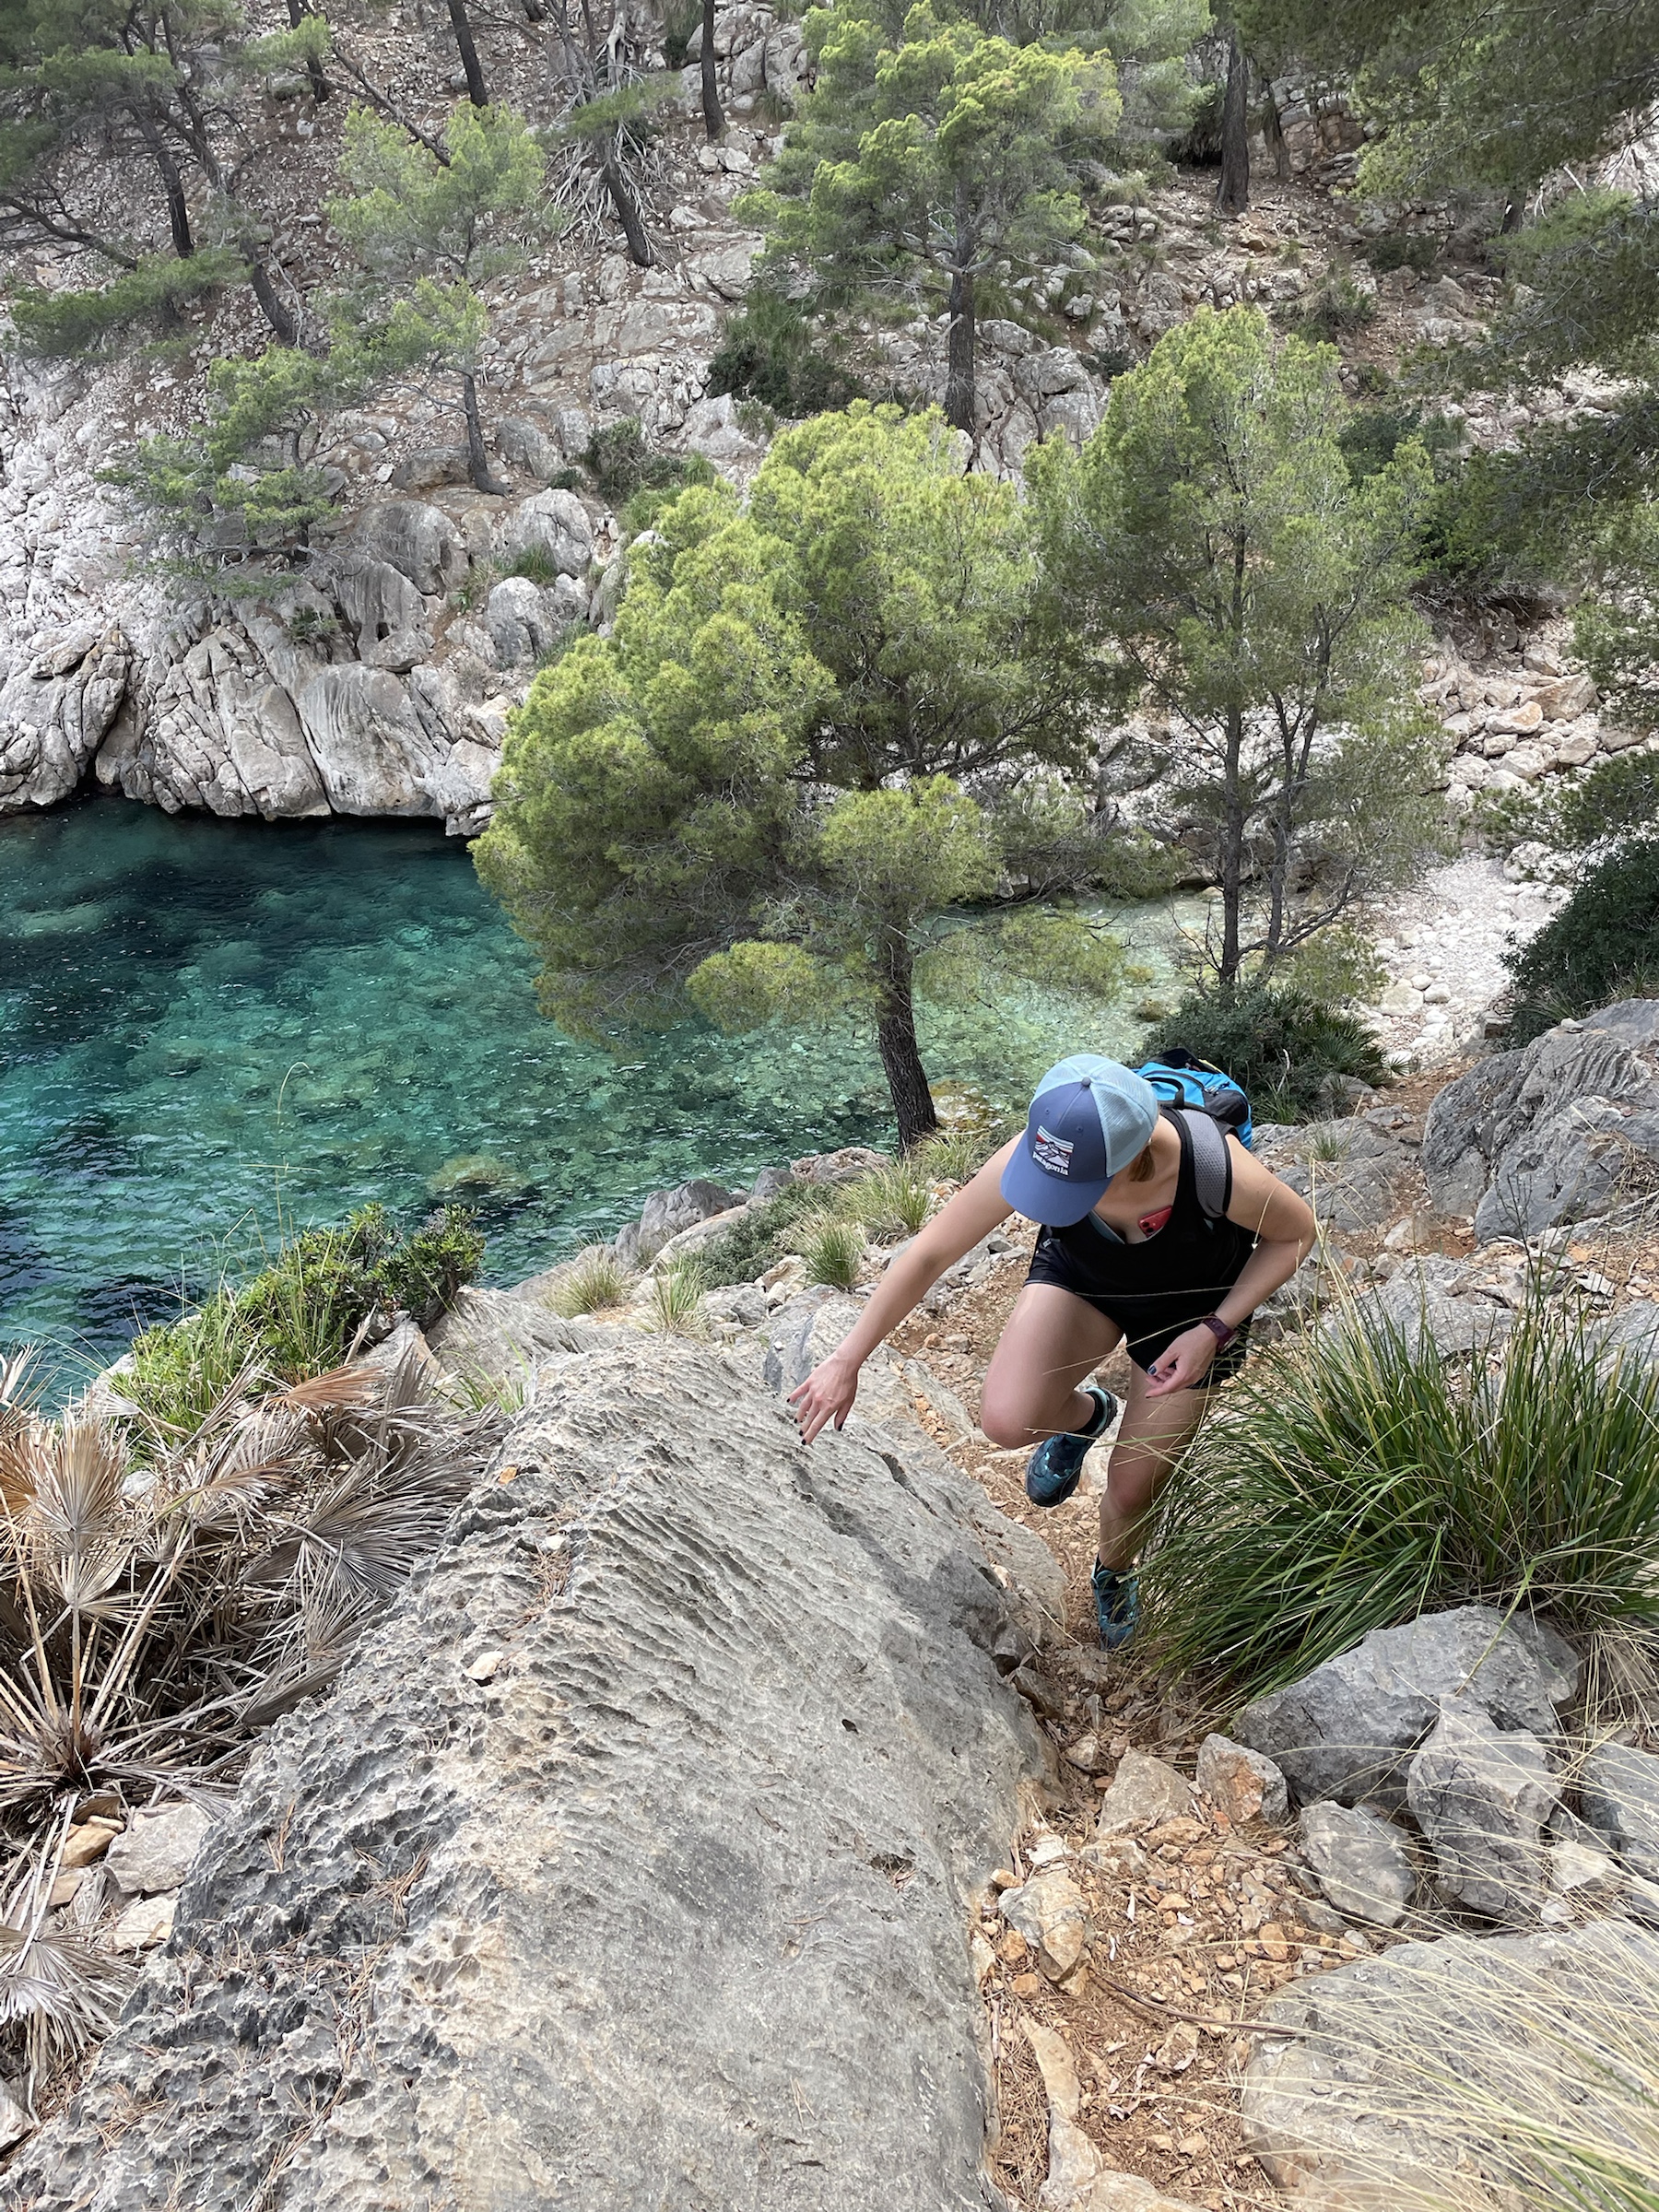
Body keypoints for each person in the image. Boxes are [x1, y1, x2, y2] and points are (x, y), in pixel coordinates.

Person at [789, 1054, 1317, 1649]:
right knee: (1007, 1420)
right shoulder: (1051, 1148)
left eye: (1072, 1190)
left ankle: (1114, 1569)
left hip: (1187, 1314)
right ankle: (1089, 1417)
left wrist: (1215, 1330)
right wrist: (847, 1359)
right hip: (1084, 1278)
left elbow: (1296, 1233)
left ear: (1131, 1158)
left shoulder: (1215, 1169)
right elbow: (930, 1252)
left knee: (1131, 1490)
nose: (1052, 1195)